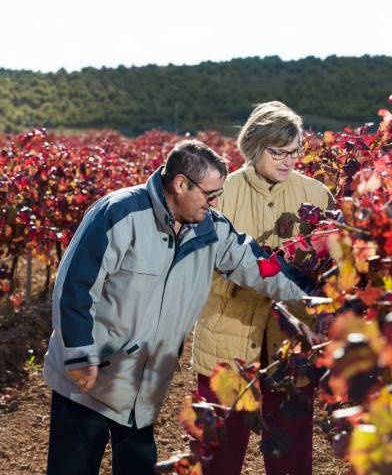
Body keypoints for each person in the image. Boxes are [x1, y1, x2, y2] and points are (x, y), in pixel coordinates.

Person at [43, 139, 312, 475]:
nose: (216, 203)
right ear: (181, 183)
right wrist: (80, 355)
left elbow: (260, 267)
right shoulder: (120, 213)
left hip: (143, 389)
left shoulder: (211, 227)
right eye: (210, 194)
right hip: (90, 380)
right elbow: (75, 285)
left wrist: (316, 295)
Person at [192, 101, 334, 475]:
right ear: (254, 146)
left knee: (290, 451)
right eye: (278, 152)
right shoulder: (222, 193)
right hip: (228, 340)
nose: (289, 161)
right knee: (220, 452)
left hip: (290, 348)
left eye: (295, 152)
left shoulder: (317, 196)